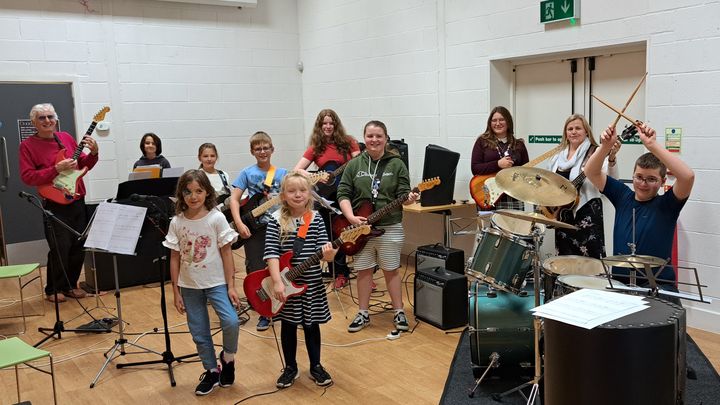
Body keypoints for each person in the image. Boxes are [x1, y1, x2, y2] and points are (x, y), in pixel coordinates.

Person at [585, 122, 694, 289]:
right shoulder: (622, 195)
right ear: (633, 175)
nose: (643, 183)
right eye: (639, 177)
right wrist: (605, 147)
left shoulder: (668, 204)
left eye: (651, 179)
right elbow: (590, 171)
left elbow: (687, 177)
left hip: (658, 286)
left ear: (663, 181)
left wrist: (652, 145)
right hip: (621, 285)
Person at [337, 120, 419, 333]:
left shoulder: (397, 164)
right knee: (364, 271)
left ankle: (399, 311)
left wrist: (409, 199)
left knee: (391, 270)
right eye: (370, 136)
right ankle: (363, 313)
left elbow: (404, 195)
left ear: (386, 138)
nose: (374, 140)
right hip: (359, 229)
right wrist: (350, 217)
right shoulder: (354, 164)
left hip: (389, 226)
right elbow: (343, 193)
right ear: (364, 138)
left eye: (378, 136)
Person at [164, 169, 240, 396]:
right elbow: (174, 257)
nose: (193, 196)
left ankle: (228, 358)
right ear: (181, 194)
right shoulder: (177, 222)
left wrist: (231, 285)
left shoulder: (216, 218)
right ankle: (211, 370)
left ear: (207, 192)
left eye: (198, 191)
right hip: (189, 286)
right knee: (199, 332)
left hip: (217, 283)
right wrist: (176, 291)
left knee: (231, 321)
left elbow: (227, 253)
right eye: (187, 192)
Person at [19, 103, 99, 302]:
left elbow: (82, 164)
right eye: (42, 118)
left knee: (79, 245)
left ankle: (71, 285)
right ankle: (53, 289)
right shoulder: (27, 146)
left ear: (56, 119)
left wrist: (94, 153)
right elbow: (28, 176)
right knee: (60, 247)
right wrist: (56, 169)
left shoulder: (66, 138)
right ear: (34, 122)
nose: (47, 121)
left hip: (77, 199)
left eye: (50, 117)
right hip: (55, 203)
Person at [264, 172, 337, 389]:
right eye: (292, 191)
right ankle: (290, 367)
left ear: (310, 194)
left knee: (312, 325)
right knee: (288, 326)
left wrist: (330, 255)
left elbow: (325, 253)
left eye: (303, 190)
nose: (298, 195)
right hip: (286, 286)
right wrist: (277, 282)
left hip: (312, 284)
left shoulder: (316, 219)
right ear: (283, 196)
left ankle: (316, 366)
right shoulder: (276, 219)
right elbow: (271, 253)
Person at [293, 108, 360, 289]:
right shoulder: (316, 147)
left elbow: (359, 162)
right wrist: (317, 176)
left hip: (349, 194)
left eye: (331, 123)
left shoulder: (349, 142)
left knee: (355, 233)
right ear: (320, 126)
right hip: (327, 198)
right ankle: (339, 273)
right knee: (332, 235)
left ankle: (364, 272)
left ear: (336, 125)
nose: (328, 126)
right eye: (324, 123)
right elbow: (297, 170)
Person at [229, 131, 288, 331]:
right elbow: (234, 199)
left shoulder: (282, 173)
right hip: (255, 229)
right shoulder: (247, 173)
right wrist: (239, 223)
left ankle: (281, 308)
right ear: (252, 151)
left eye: (265, 148)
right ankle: (263, 311)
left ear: (272, 149)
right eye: (258, 149)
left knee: (281, 267)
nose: (262, 152)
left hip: (279, 226)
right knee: (256, 268)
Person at [547, 114, 620, 258]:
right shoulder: (557, 157)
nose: (573, 132)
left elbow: (612, 180)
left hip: (587, 215)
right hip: (562, 217)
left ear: (586, 131)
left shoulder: (596, 152)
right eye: (570, 129)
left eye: (578, 128)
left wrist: (611, 159)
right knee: (564, 262)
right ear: (565, 133)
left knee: (590, 263)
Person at [470, 106, 529, 210]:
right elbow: (475, 168)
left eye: (501, 119)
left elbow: (526, 172)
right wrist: (497, 164)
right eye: (494, 120)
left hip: (513, 195)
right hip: (488, 195)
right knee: (489, 222)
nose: (497, 123)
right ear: (490, 123)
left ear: (508, 122)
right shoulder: (482, 142)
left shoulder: (519, 145)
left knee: (514, 221)